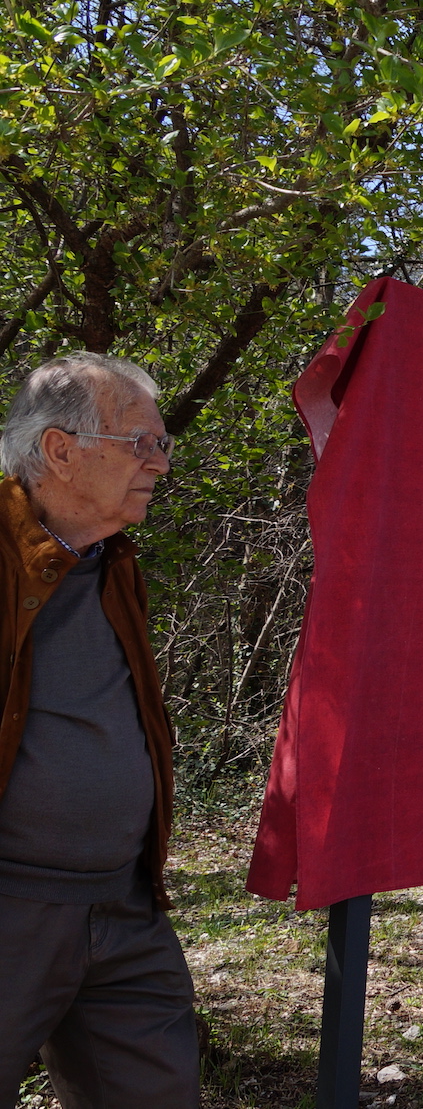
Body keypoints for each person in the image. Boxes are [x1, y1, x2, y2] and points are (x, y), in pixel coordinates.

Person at [0, 353, 198, 1106]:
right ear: (60, 450)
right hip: (14, 907)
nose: (158, 464)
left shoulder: (114, 561)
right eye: (140, 444)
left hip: (125, 905)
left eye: (162, 445)